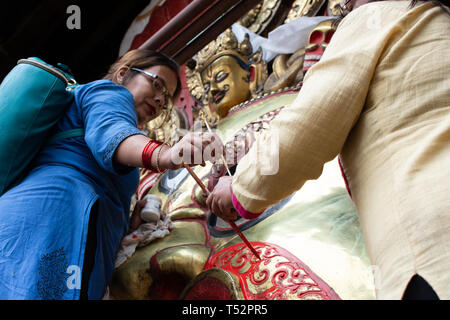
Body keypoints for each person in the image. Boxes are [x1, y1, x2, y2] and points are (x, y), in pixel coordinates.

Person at [206, 0, 450, 299]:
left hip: (432, 229)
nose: (344, 4)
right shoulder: (437, 19)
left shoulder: (378, 15)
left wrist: (240, 188)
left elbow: (312, 122)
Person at [0, 49, 218, 300]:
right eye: (156, 84)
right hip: (52, 217)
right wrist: (166, 156)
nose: (160, 99)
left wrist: (129, 224)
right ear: (124, 73)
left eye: (166, 98)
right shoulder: (108, 94)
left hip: (39, 225)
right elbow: (112, 135)